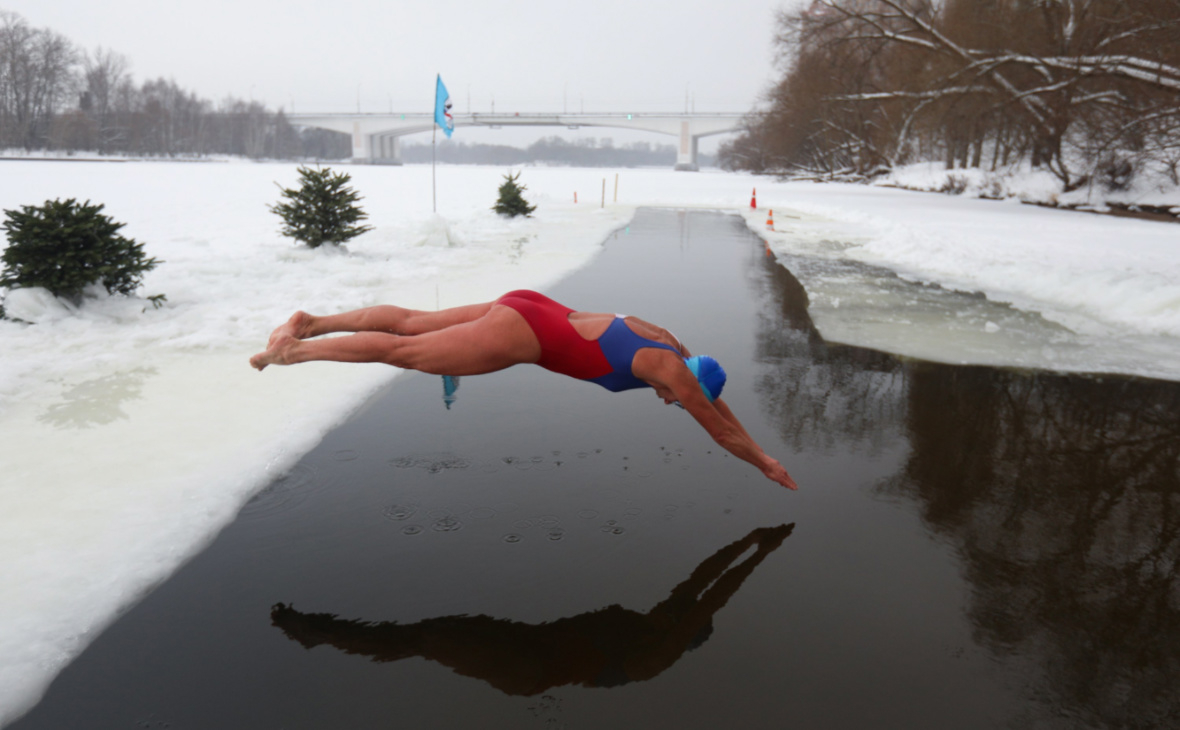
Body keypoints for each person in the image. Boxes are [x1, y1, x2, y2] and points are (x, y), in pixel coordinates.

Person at [250, 289, 797, 489]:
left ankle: (310, 321)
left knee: (414, 321)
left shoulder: (677, 346)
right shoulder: (673, 372)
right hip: (524, 334)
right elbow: (718, 431)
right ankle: (292, 351)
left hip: (531, 304)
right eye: (677, 399)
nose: (669, 402)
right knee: (406, 352)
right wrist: (763, 465)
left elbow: (716, 405)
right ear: (686, 383)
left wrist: (764, 450)